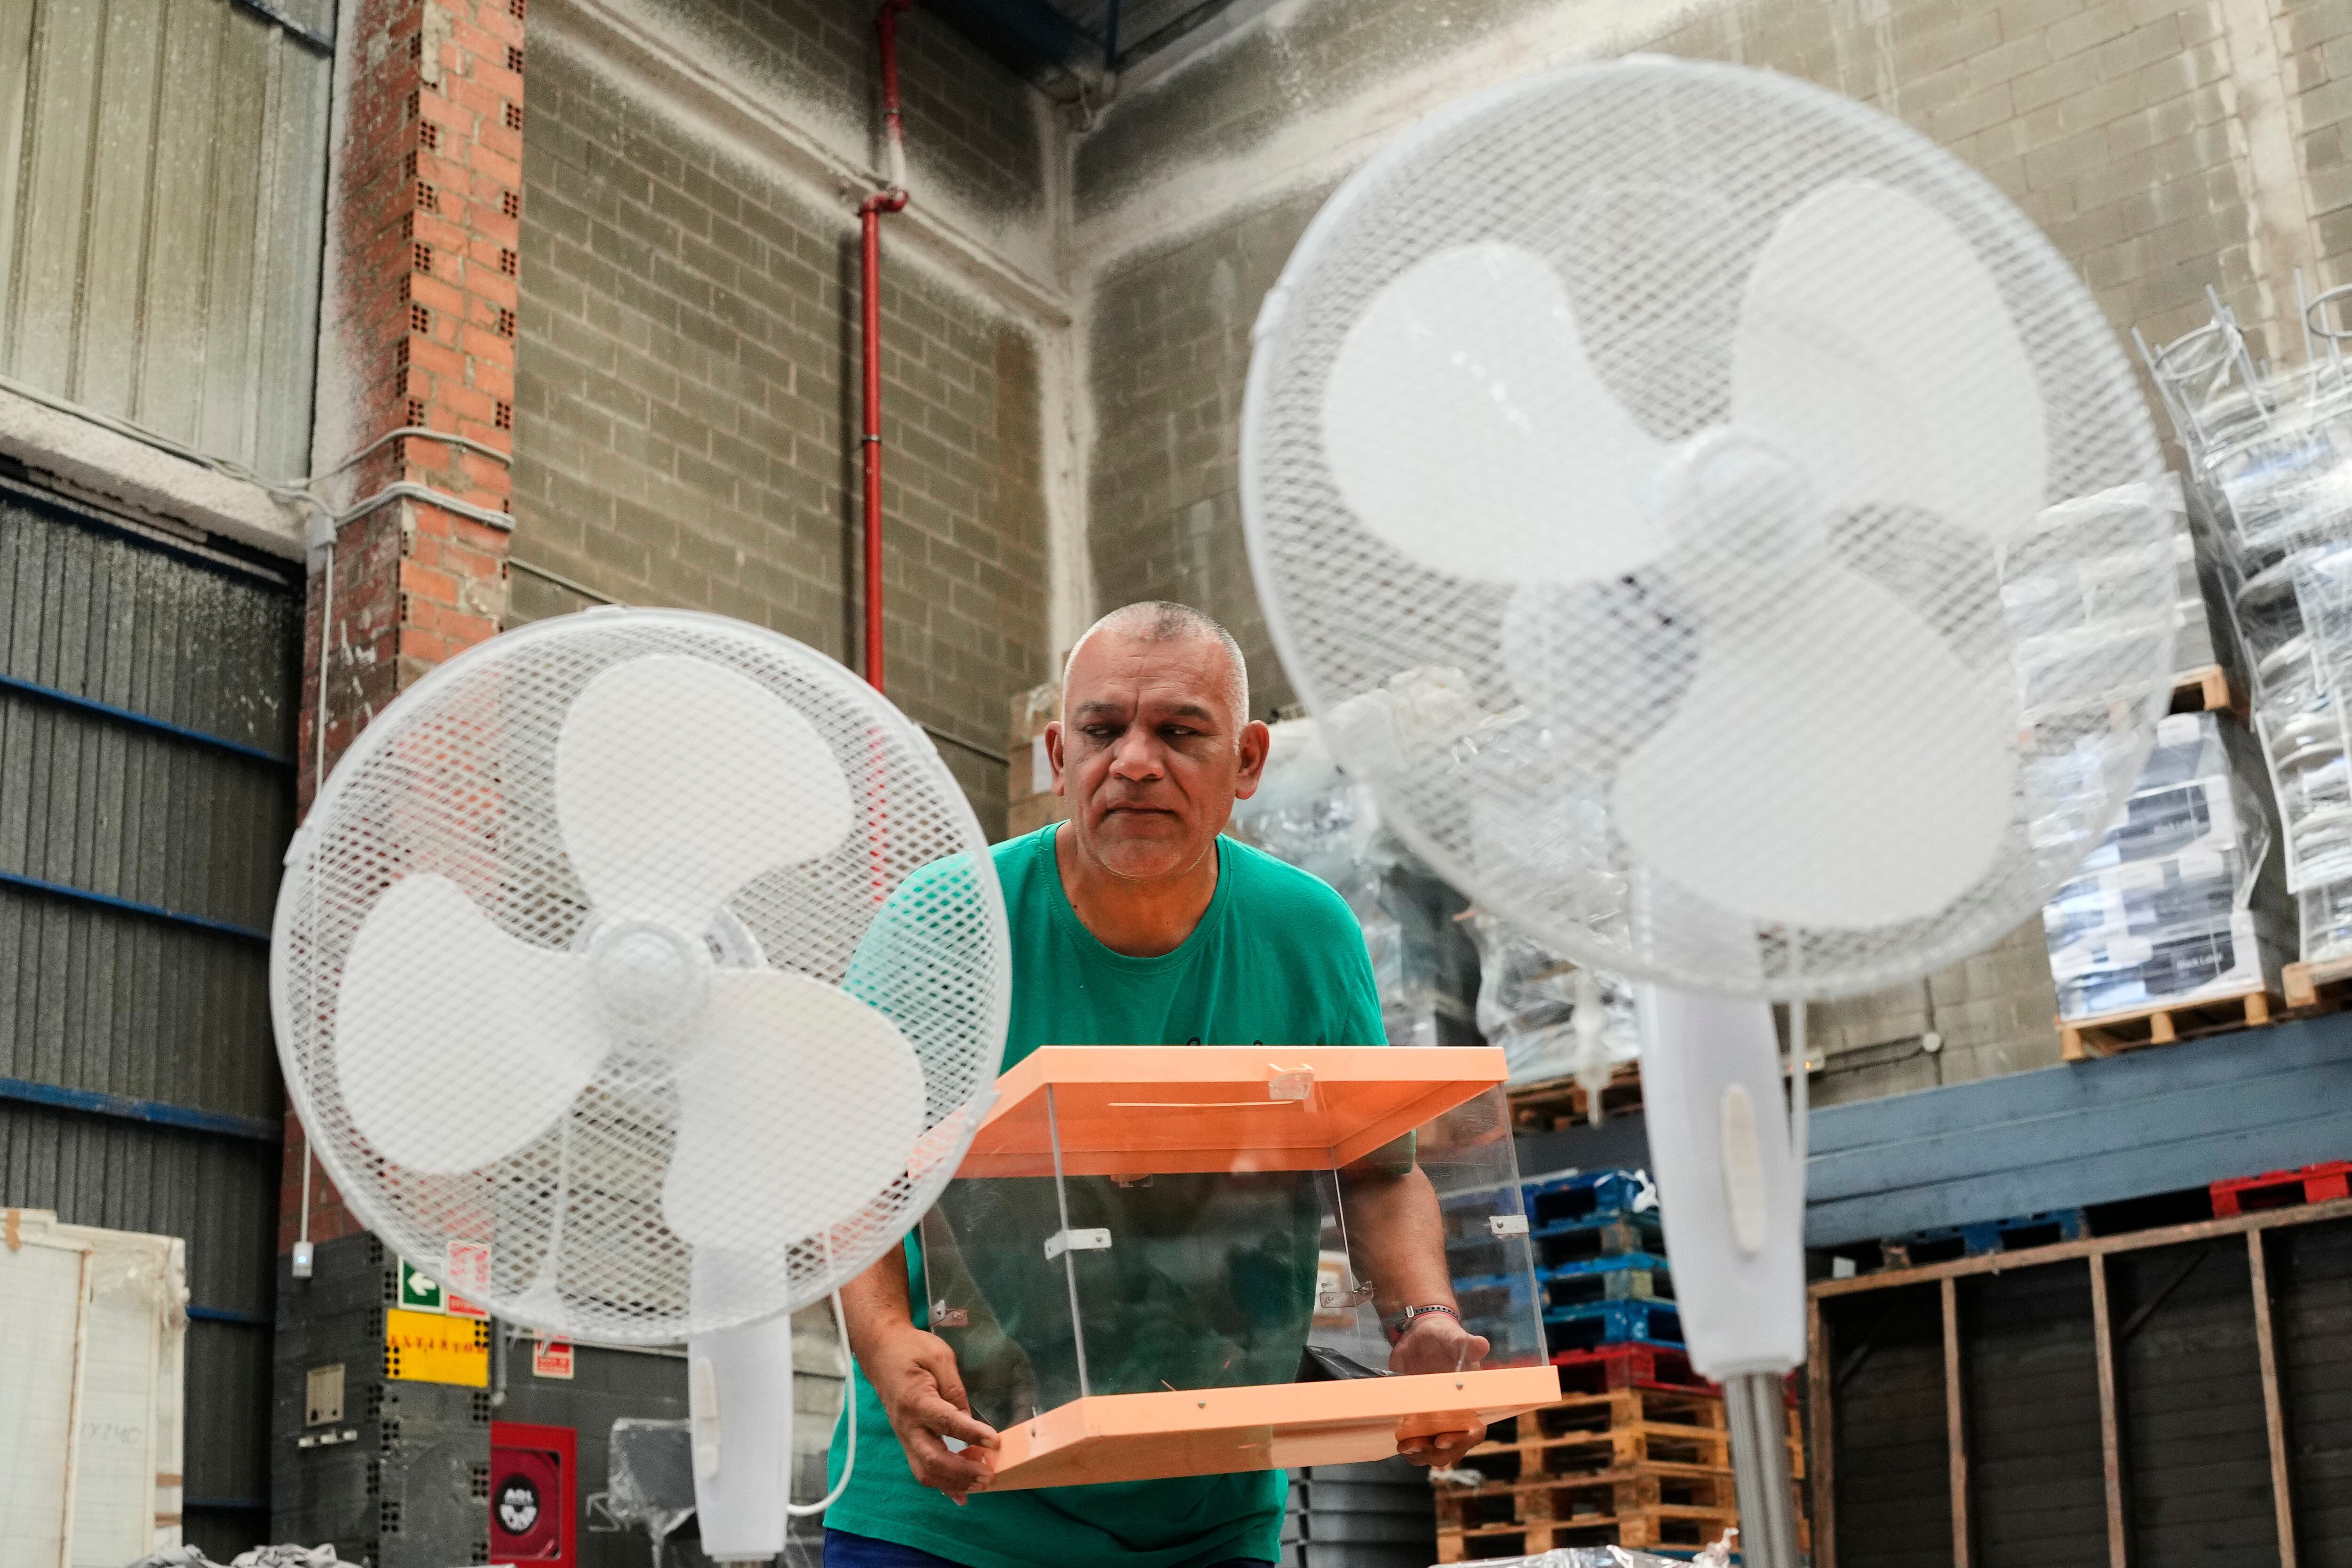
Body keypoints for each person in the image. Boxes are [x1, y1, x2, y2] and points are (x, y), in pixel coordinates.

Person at [821, 602, 1486, 1568]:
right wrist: (885, 1339)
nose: (1134, 760)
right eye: (1101, 730)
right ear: (1058, 754)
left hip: (1207, 1507)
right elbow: (848, 1163)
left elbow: (1378, 1168)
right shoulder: (947, 921)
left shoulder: (1309, 934)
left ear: (1248, 762)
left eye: (1178, 731)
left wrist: (1424, 1318)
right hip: (953, 1499)